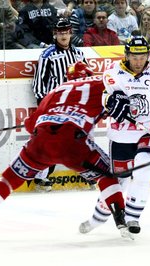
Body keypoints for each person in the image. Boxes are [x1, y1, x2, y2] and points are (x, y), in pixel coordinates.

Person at [0, 62, 129, 237]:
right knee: (107, 176)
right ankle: (121, 221)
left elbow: (30, 125)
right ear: (89, 74)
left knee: (11, 177)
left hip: (40, 141)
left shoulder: (56, 90)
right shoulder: (100, 83)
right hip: (72, 142)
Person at [79, 35, 150, 235]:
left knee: (144, 172)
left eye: (142, 56)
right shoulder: (112, 73)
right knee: (120, 180)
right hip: (123, 131)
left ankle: (133, 218)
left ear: (148, 55)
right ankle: (97, 217)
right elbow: (105, 96)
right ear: (126, 55)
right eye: (134, 56)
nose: (138, 61)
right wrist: (110, 102)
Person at [32, 18, 88, 192]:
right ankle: (41, 177)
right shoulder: (47, 55)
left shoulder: (79, 54)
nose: (63, 35)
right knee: (51, 141)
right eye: (60, 32)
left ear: (71, 33)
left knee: (82, 139)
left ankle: (87, 173)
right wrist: (45, 107)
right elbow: (39, 84)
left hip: (76, 106)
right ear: (55, 34)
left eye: (66, 31)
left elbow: (86, 79)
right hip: (55, 106)